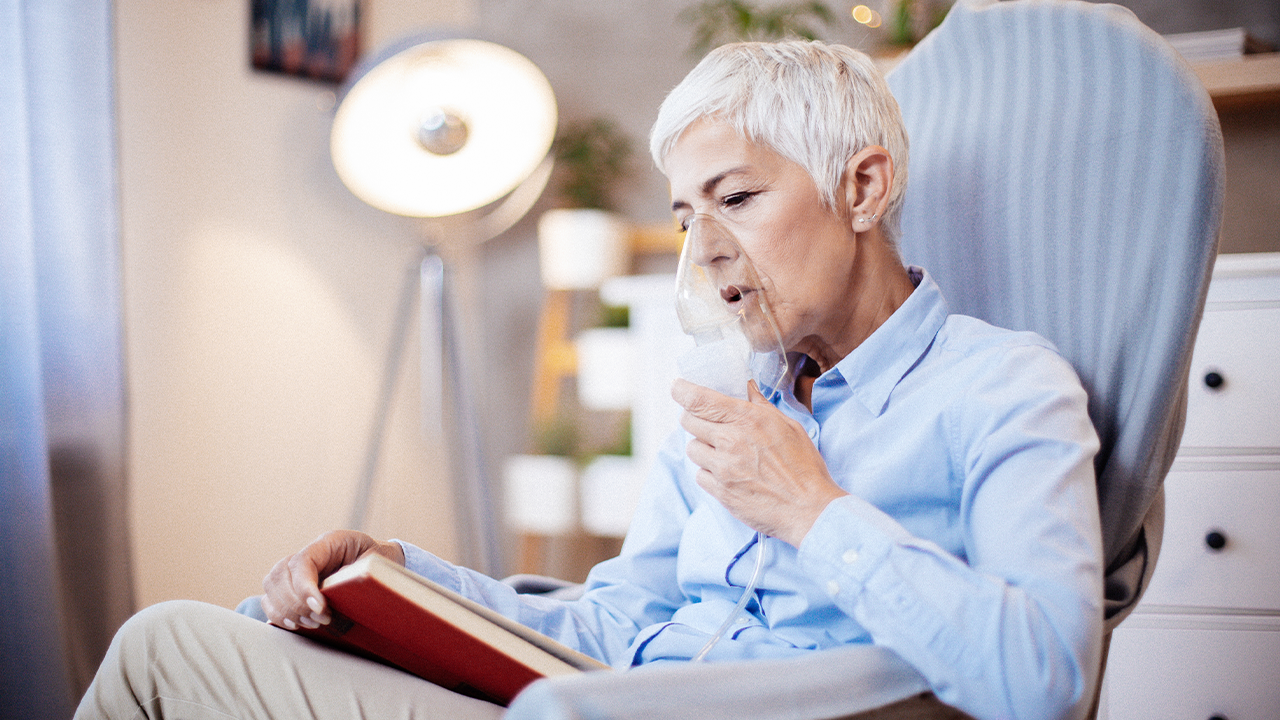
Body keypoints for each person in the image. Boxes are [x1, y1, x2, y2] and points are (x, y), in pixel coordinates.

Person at [76, 40, 1103, 720]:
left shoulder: (1004, 389)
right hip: (589, 700)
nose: (700, 250)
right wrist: (399, 581)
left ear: (862, 186)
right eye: (684, 216)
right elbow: (620, 619)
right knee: (166, 643)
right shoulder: (729, 402)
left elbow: (1047, 680)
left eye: (735, 198)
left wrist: (812, 510)